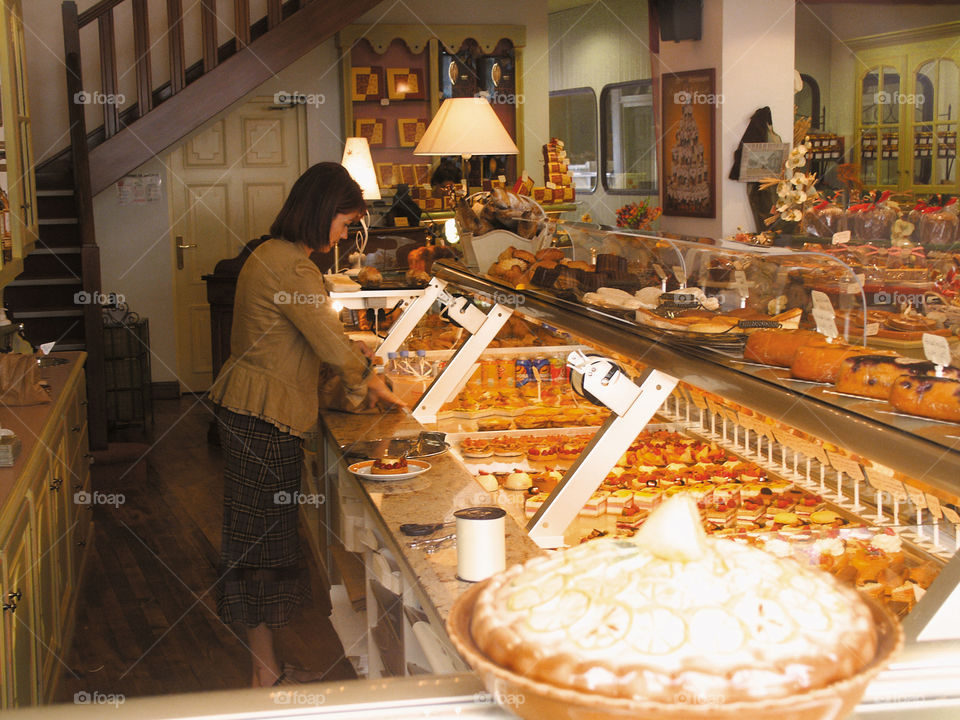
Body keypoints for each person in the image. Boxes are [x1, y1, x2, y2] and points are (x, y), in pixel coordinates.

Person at [208, 162, 405, 687]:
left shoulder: (271, 254)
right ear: (323, 212)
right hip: (263, 414)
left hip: (249, 407)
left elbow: (305, 335)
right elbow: (325, 340)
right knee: (261, 545)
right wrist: (375, 383)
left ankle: (267, 666)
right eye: (345, 222)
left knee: (257, 539)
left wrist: (354, 359)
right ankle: (263, 675)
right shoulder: (293, 268)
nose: (344, 234)